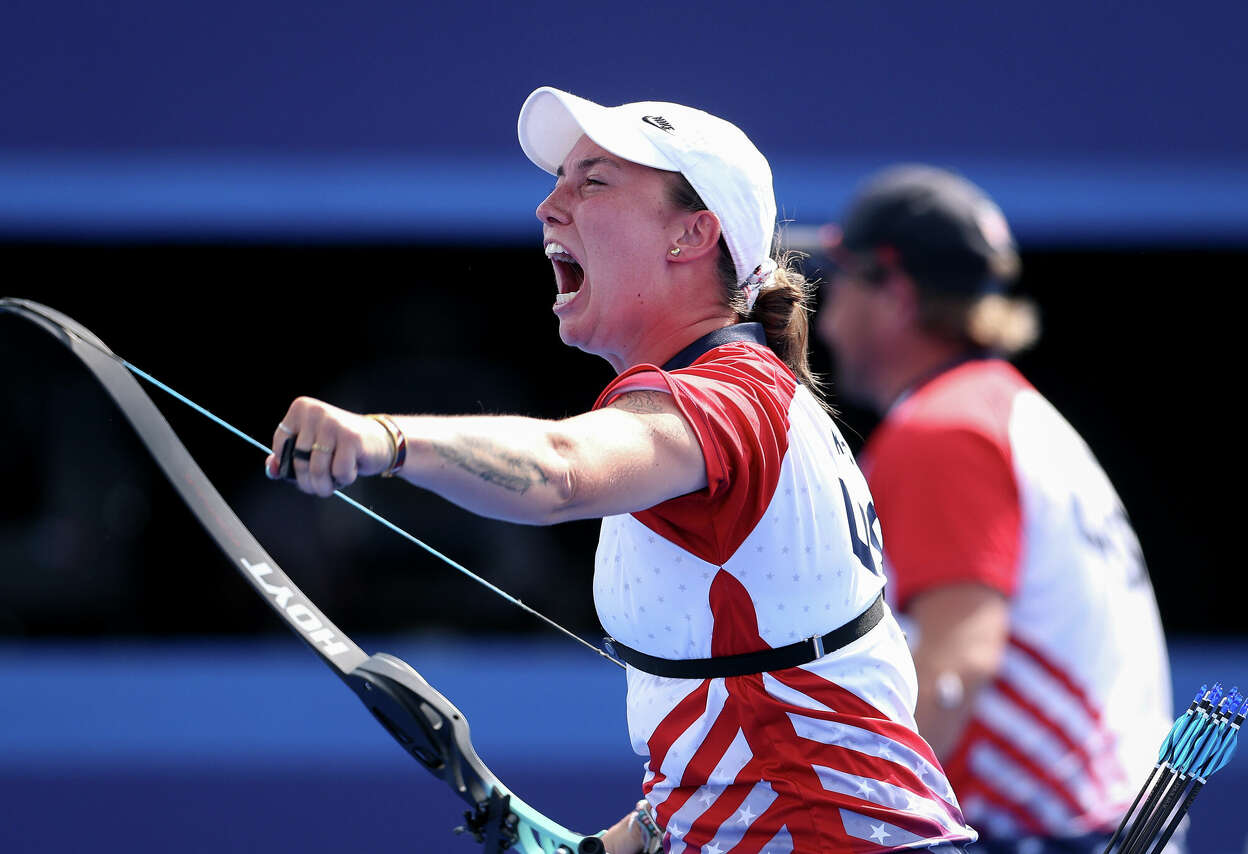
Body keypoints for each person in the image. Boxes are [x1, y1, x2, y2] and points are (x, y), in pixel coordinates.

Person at [267, 88, 975, 853]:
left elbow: (561, 470)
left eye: (592, 182)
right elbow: (735, 723)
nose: (548, 206)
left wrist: (385, 438)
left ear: (691, 234)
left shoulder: (731, 394)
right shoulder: (748, 390)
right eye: (560, 179)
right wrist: (615, 844)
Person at [815, 164, 1174, 853]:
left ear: (894, 289)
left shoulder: (943, 428)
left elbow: (956, 667)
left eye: (839, 279)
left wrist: (834, 824)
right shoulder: (1002, 411)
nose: (823, 318)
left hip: (1047, 840)